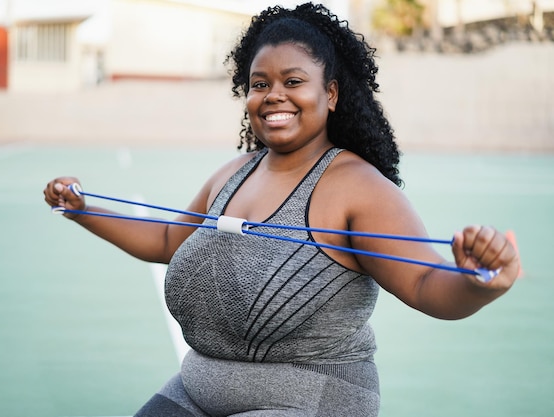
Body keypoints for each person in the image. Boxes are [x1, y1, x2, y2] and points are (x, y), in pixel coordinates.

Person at [43, 3, 519, 416]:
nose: (273, 95)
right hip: (199, 390)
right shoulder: (233, 173)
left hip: (309, 401)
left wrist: (479, 283)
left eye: (294, 81)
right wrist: (81, 209)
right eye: (259, 83)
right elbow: (168, 241)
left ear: (329, 94)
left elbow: (423, 284)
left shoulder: (358, 188)